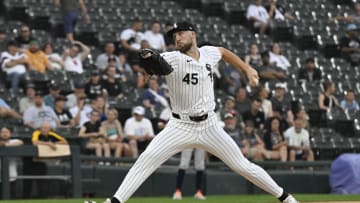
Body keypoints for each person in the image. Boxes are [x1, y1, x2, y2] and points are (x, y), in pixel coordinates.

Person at [104, 21, 298, 203]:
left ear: (193, 34)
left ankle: (286, 198)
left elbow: (223, 52)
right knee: (146, 160)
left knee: (242, 166)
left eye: (181, 34)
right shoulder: (173, 58)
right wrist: (149, 64)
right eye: (174, 36)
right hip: (180, 126)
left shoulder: (208, 53)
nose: (177, 38)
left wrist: (246, 69)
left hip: (209, 126)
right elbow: (158, 62)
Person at [25, 121, 68, 198]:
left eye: (47, 128)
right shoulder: (36, 133)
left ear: (49, 129)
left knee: (42, 183)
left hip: (41, 162)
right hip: (29, 162)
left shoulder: (51, 134)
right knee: (27, 183)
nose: (45, 130)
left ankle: (43, 198)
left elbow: (65, 142)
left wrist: (54, 144)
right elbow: (35, 142)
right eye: (43, 128)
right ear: (40, 128)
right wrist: (48, 144)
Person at [0, 127, 23, 198]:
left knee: (12, 196)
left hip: (11, 175)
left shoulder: (13, 141)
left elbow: (20, 142)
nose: (4, 134)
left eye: (6, 132)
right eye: (3, 132)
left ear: (10, 134)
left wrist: (6, 145)